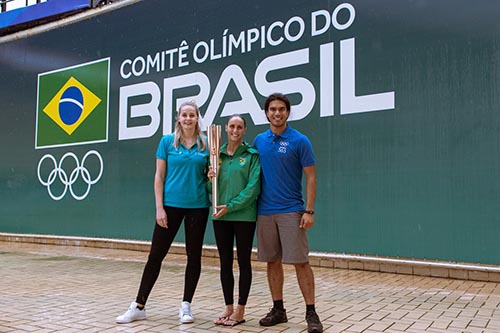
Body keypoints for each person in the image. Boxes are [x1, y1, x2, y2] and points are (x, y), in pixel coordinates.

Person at [116, 101, 210, 325]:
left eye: (192, 115)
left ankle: (186, 306)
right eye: (184, 115)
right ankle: (139, 306)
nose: (188, 118)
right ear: (178, 118)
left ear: (197, 118)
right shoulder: (167, 141)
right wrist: (160, 207)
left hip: (198, 206)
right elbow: (159, 176)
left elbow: (210, 176)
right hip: (170, 206)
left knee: (193, 256)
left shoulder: (206, 144)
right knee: (155, 256)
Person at [253, 93, 323, 333]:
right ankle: (278, 309)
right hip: (264, 212)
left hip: (292, 211)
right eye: (272, 109)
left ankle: (311, 313)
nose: (277, 113)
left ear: (288, 112)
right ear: (266, 113)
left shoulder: (299, 140)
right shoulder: (259, 141)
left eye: (281, 109)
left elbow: (311, 177)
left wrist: (309, 210)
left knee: (301, 263)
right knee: (272, 262)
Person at [208, 114, 261, 327]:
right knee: (224, 262)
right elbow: (208, 189)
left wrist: (231, 206)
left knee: (244, 262)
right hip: (220, 217)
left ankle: (240, 310)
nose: (235, 130)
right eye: (232, 126)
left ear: (244, 130)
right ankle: (228, 307)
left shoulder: (251, 156)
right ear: (226, 129)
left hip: (243, 217)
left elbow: (253, 188)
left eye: (239, 127)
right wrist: (209, 177)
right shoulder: (215, 155)